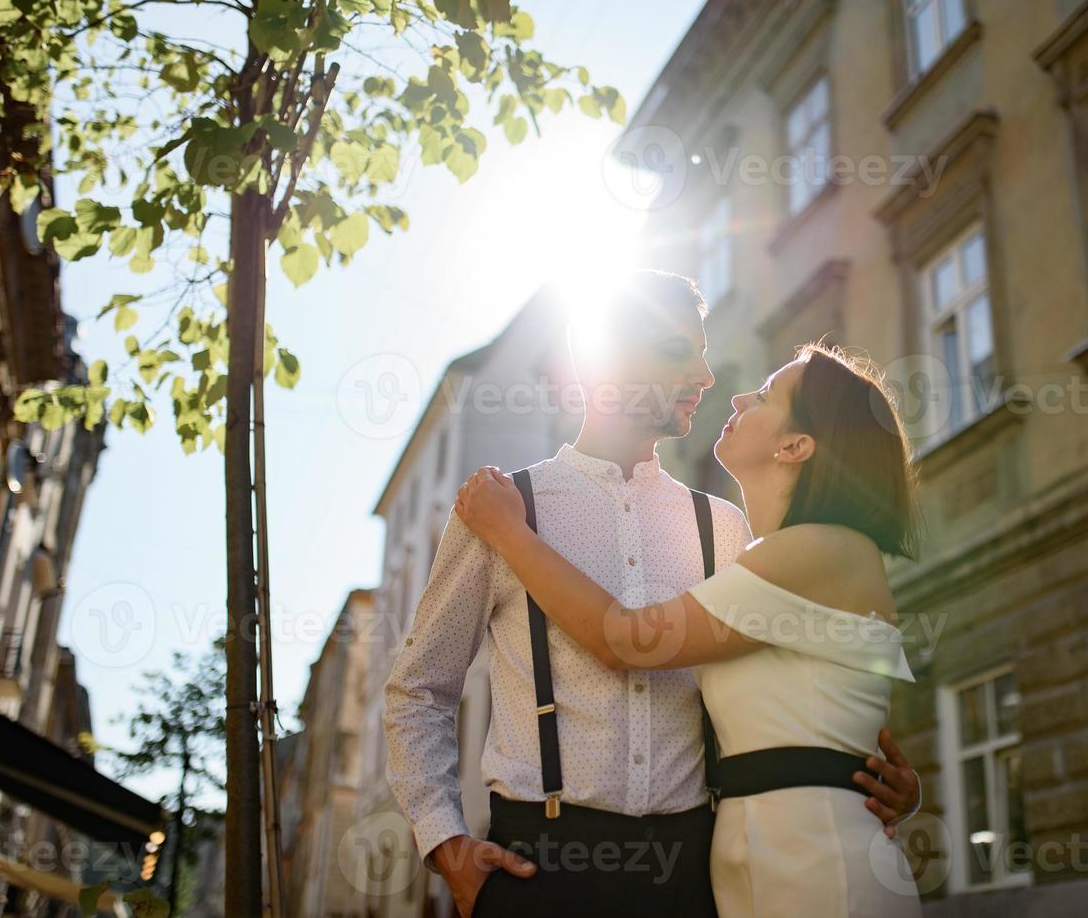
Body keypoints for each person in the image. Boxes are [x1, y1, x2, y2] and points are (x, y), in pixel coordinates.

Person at [383, 271, 919, 918]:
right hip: (539, 867)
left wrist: (867, 779)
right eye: (676, 351)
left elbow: (799, 687)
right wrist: (446, 845)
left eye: (701, 350)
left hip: (693, 875)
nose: (706, 374)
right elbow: (419, 691)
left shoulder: (726, 529)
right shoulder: (501, 508)